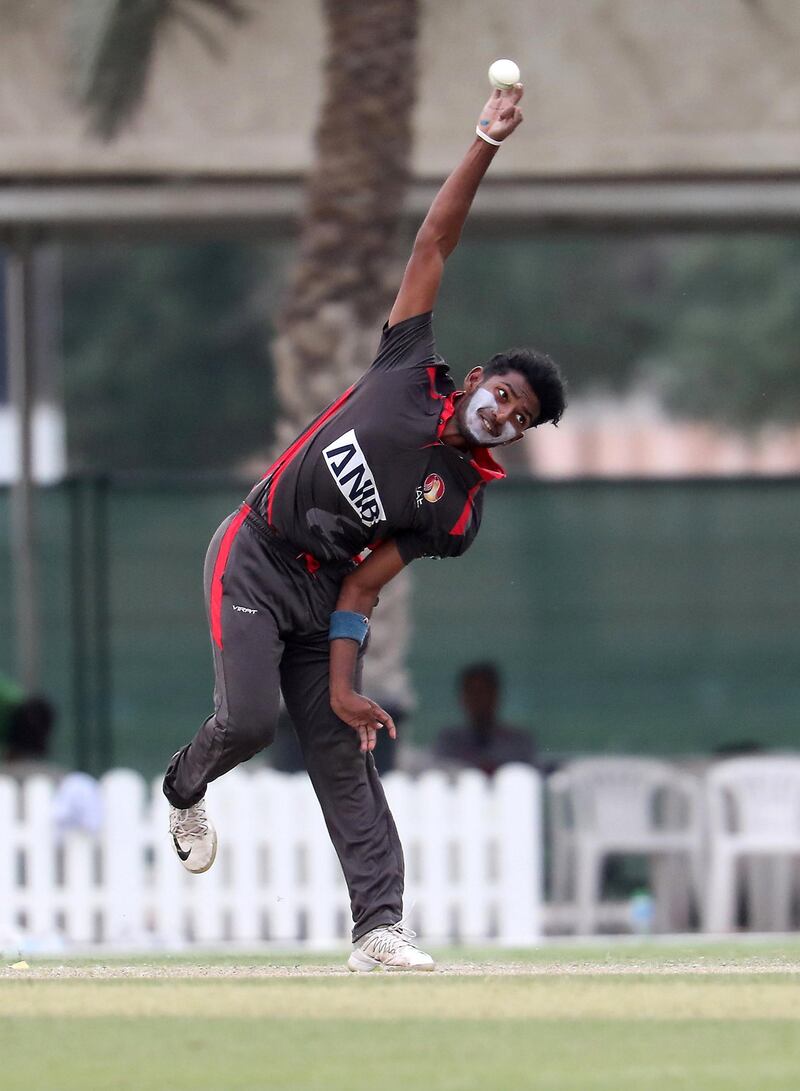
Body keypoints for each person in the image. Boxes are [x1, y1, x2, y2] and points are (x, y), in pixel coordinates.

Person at [163, 80, 566, 972]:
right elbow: (434, 240)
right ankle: (185, 784)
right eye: (502, 390)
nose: (504, 410)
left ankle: (379, 928)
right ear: (474, 382)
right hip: (255, 551)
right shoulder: (408, 365)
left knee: (342, 751)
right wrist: (483, 142)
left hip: (320, 595)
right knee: (253, 722)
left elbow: (362, 584)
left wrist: (346, 685)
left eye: (522, 413)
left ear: (522, 433)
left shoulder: (457, 507)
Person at [434, 662, 537, 775]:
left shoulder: (519, 741)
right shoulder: (448, 741)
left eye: (483, 692)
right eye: (472, 692)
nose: (477, 699)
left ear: (495, 695)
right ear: (462, 697)